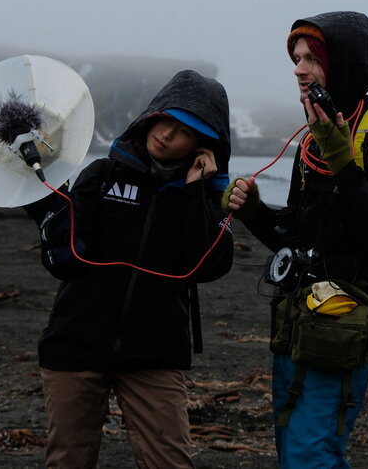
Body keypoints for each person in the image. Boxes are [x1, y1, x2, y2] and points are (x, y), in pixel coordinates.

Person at [223, 11, 368, 467]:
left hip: (344, 326)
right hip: (296, 323)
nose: (298, 69)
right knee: (296, 451)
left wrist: (344, 162)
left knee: (309, 455)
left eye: (311, 59)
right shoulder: (311, 142)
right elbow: (297, 240)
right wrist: (254, 211)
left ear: (344, 63)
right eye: (296, 58)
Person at [24, 69, 234, 469]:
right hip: (76, 345)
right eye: (165, 119)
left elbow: (210, 266)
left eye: (185, 131)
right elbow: (63, 261)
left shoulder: (206, 198)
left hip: (154, 353)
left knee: (170, 463)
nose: (168, 134)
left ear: (203, 145)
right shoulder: (102, 176)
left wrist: (196, 193)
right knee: (68, 460)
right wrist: (46, 211)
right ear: (150, 115)